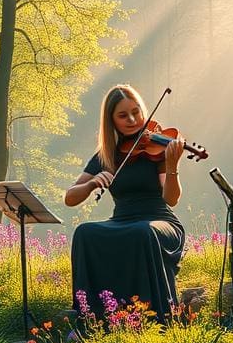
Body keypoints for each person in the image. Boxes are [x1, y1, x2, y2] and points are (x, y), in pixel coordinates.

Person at [65, 85, 186, 320]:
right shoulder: (107, 155)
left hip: (160, 220)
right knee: (84, 232)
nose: (132, 119)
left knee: (143, 232)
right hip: (122, 219)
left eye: (136, 112)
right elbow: (70, 198)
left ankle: (154, 317)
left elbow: (171, 199)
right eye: (123, 115)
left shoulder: (158, 150)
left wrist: (172, 166)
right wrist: (91, 185)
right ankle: (95, 317)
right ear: (111, 121)